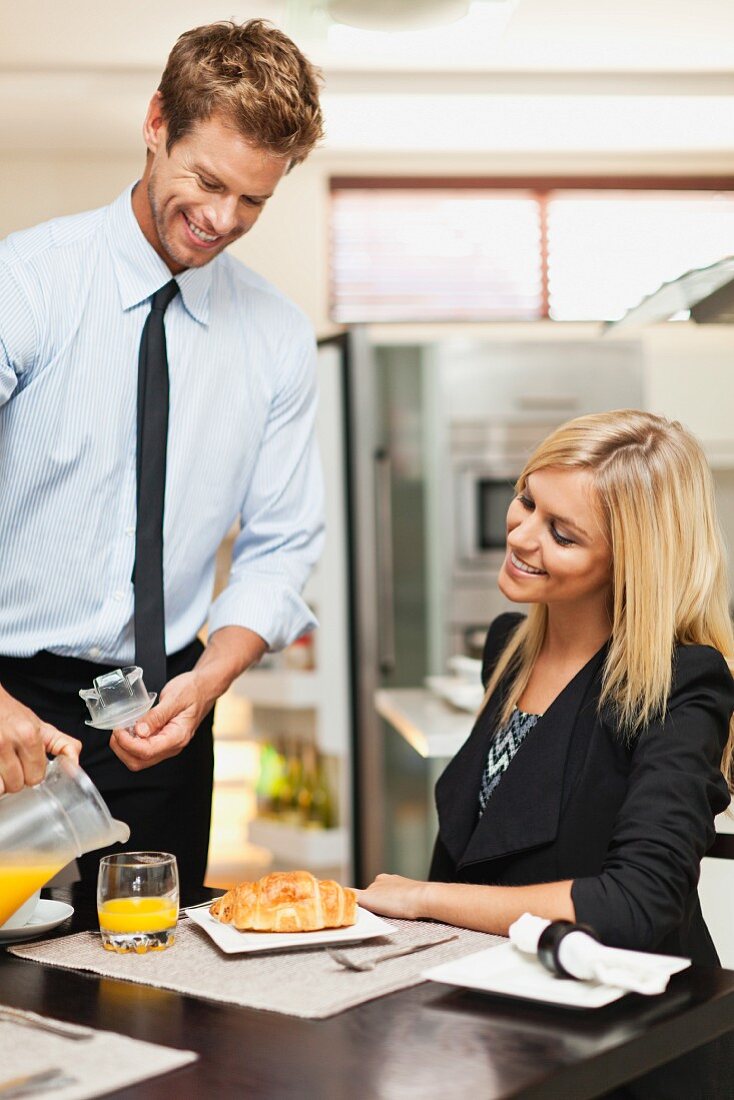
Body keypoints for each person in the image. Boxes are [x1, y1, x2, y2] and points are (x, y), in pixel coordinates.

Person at [0, 20, 325, 892]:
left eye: (253, 200)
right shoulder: (25, 285)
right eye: (207, 180)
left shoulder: (279, 337)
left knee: (154, 976)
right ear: (156, 124)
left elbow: (284, 540)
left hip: (169, 712)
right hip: (7, 703)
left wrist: (211, 679)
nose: (221, 220)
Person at [358, 410, 734, 1099]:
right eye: (527, 500)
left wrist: (420, 899)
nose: (522, 535)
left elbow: (635, 904)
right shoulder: (508, 650)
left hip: (627, 1049)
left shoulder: (683, 685)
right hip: (503, 1016)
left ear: (630, 561)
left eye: (562, 534)